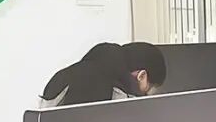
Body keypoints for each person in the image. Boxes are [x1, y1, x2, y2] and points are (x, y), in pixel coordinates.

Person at [39, 41, 167, 107]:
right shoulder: (118, 96)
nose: (145, 95)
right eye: (148, 89)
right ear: (142, 76)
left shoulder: (66, 74)